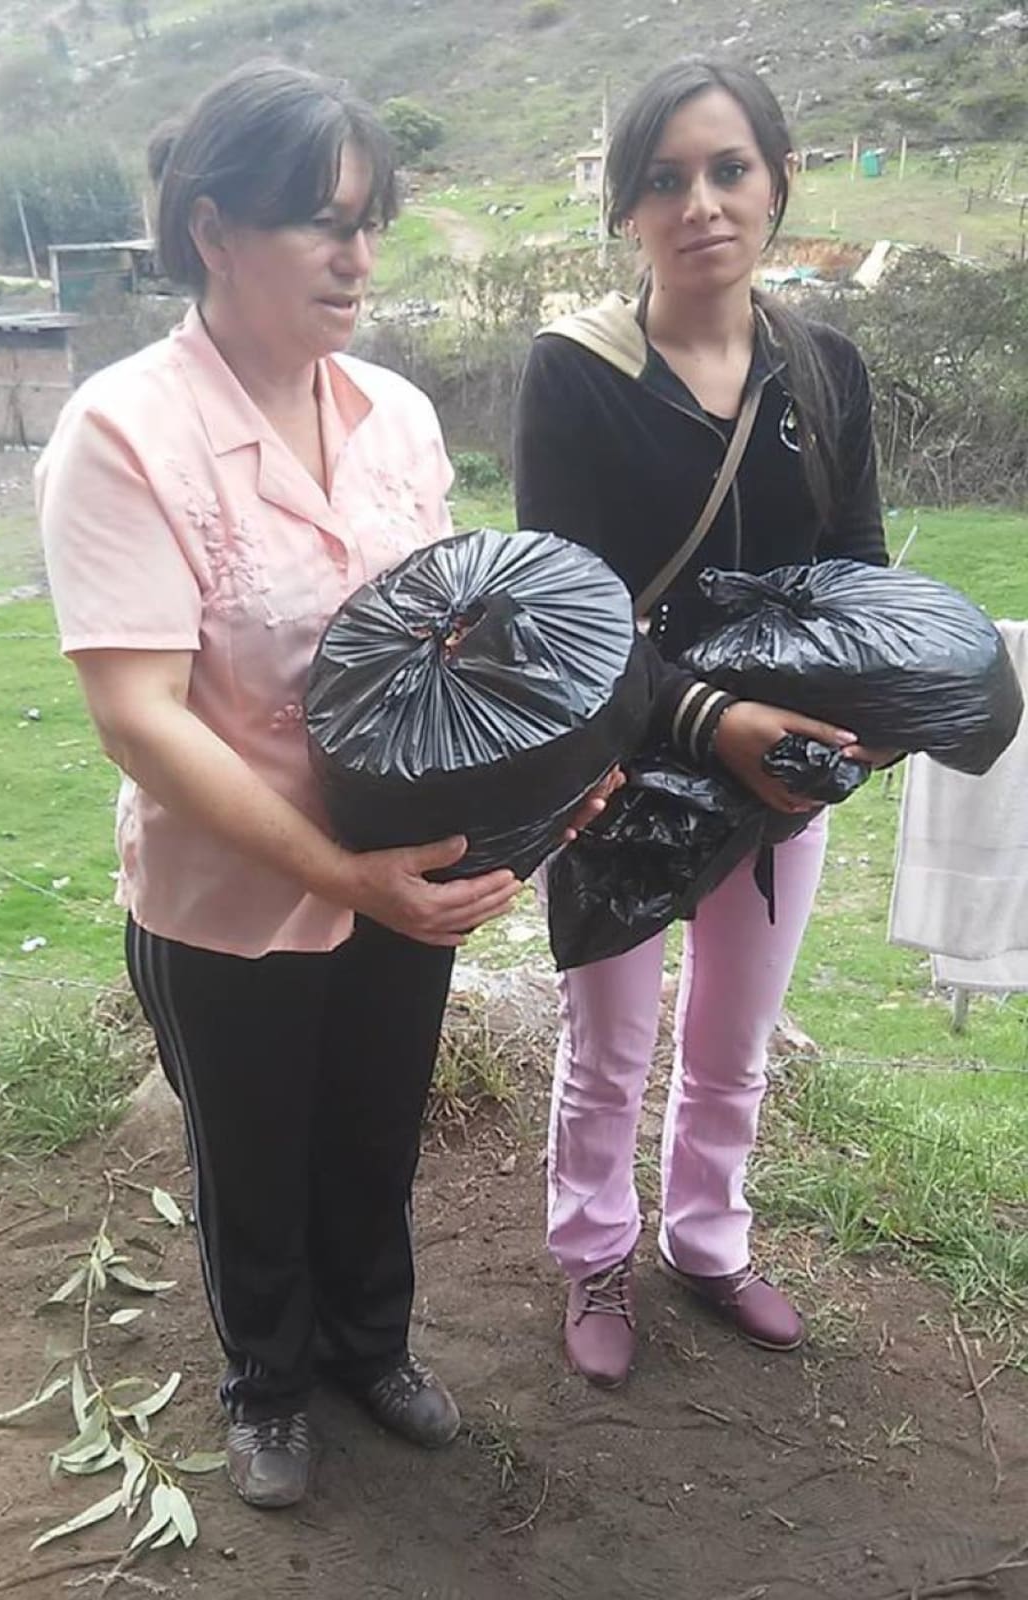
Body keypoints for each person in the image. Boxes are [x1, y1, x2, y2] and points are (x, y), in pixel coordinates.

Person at [37, 63, 619, 1511]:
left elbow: (451, 654)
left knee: (373, 1119)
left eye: (370, 220)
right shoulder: (125, 432)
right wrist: (331, 869)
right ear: (215, 229)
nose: (357, 256)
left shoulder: (398, 422)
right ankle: (269, 1384)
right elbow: (138, 717)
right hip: (229, 892)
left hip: (400, 869)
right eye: (319, 222)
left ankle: (372, 1348)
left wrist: (545, 789)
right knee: (253, 1149)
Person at [513, 57, 891, 1389]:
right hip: (618, 759)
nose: (701, 203)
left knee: (733, 1036)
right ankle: (596, 1249)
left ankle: (707, 1237)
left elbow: (858, 578)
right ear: (628, 210)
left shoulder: (825, 367)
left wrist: (859, 728)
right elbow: (568, 612)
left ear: (778, 184)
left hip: (779, 768)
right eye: (664, 178)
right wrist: (717, 718)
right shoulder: (575, 373)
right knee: (611, 1040)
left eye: (729, 169)